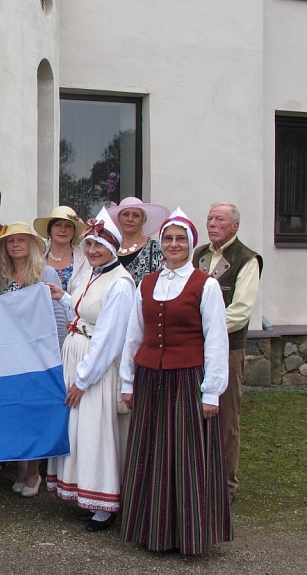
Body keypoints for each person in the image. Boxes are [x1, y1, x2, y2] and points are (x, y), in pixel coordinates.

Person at [120, 207, 233, 554]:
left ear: (191, 244)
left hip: (187, 378)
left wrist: (212, 391)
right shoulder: (147, 283)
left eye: (180, 239)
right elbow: (133, 334)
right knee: (151, 454)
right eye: (168, 238)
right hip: (151, 378)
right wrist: (128, 381)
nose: (173, 244)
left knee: (186, 456)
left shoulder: (206, 285)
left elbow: (216, 339)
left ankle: (188, 534)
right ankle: (153, 530)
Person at [46, 207, 135, 531]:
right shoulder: (92, 275)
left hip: (95, 368)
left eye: (99, 245)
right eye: (90, 244)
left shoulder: (121, 284)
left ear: (112, 248)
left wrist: (83, 380)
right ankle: (87, 494)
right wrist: (65, 298)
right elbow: (87, 309)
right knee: (79, 430)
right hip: (77, 355)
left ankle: (105, 503)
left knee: (95, 432)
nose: (93, 250)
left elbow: (109, 338)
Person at [193, 202, 262, 502]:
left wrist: (202, 328)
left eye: (219, 219)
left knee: (226, 416)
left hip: (228, 350)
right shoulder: (199, 254)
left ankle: (225, 487)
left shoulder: (247, 259)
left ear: (234, 226)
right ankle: (197, 477)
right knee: (195, 411)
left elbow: (240, 312)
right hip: (195, 347)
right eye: (209, 218)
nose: (212, 223)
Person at [0, 221, 67, 497]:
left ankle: (34, 471)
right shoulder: (2, 276)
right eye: (11, 242)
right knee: (16, 412)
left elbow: (58, 314)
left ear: (30, 245)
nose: (15, 245)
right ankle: (22, 469)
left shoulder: (46, 272)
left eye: (21, 240)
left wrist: (57, 351)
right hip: (11, 354)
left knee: (34, 412)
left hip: (39, 354)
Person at [107, 197, 170, 285]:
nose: (130, 219)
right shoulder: (109, 248)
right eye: (125, 214)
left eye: (136, 215)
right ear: (119, 218)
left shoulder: (157, 248)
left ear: (143, 220)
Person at [33, 205, 89, 293]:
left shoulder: (85, 257)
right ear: (49, 230)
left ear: (74, 231)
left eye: (68, 226)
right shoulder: (37, 257)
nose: (63, 230)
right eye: (58, 225)